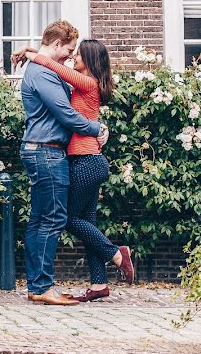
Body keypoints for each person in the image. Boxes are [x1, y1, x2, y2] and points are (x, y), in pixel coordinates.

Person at [15, 38, 135, 302]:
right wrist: (32, 51)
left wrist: (32, 55)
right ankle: (98, 284)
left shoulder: (87, 82)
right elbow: (57, 67)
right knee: (86, 222)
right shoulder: (86, 84)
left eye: (78, 54)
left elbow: (55, 67)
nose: (73, 58)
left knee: (67, 218)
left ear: (89, 60)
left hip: (85, 161)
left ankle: (116, 253)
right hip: (90, 160)